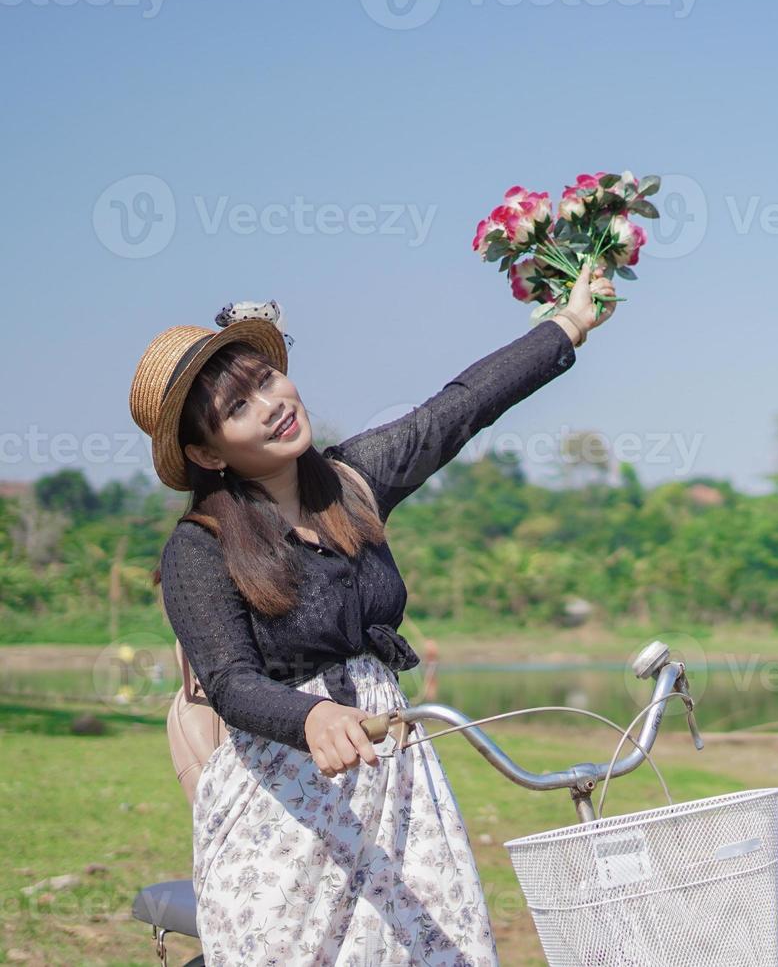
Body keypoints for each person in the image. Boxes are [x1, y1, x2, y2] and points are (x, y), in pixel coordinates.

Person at [128, 269, 617, 964]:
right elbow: (231, 683)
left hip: (395, 777)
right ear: (208, 452)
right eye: (239, 406)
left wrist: (567, 325)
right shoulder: (199, 547)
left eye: (267, 379)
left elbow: (462, 407)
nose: (270, 404)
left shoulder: (353, 481)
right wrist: (312, 717)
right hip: (284, 800)